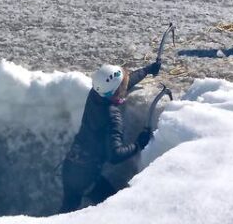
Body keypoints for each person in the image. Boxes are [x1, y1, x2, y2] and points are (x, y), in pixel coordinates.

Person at [60, 60, 161, 213]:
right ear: (116, 92)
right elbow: (114, 155)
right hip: (87, 179)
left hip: (70, 167)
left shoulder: (95, 94)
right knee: (118, 210)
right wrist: (139, 144)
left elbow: (121, 85)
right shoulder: (113, 117)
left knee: (66, 212)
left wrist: (147, 70)